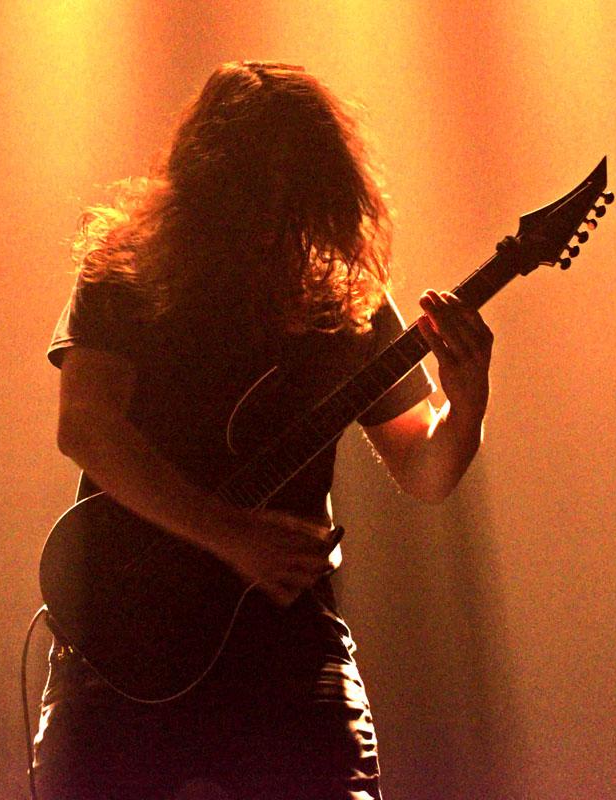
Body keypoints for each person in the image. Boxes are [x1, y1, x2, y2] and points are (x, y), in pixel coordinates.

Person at [33, 61, 493, 800]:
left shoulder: (349, 298)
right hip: (127, 630)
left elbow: (424, 469)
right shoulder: (125, 273)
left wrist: (467, 404)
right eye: (261, 194)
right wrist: (228, 534)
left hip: (286, 637)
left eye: (298, 196)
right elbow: (86, 427)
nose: (279, 221)